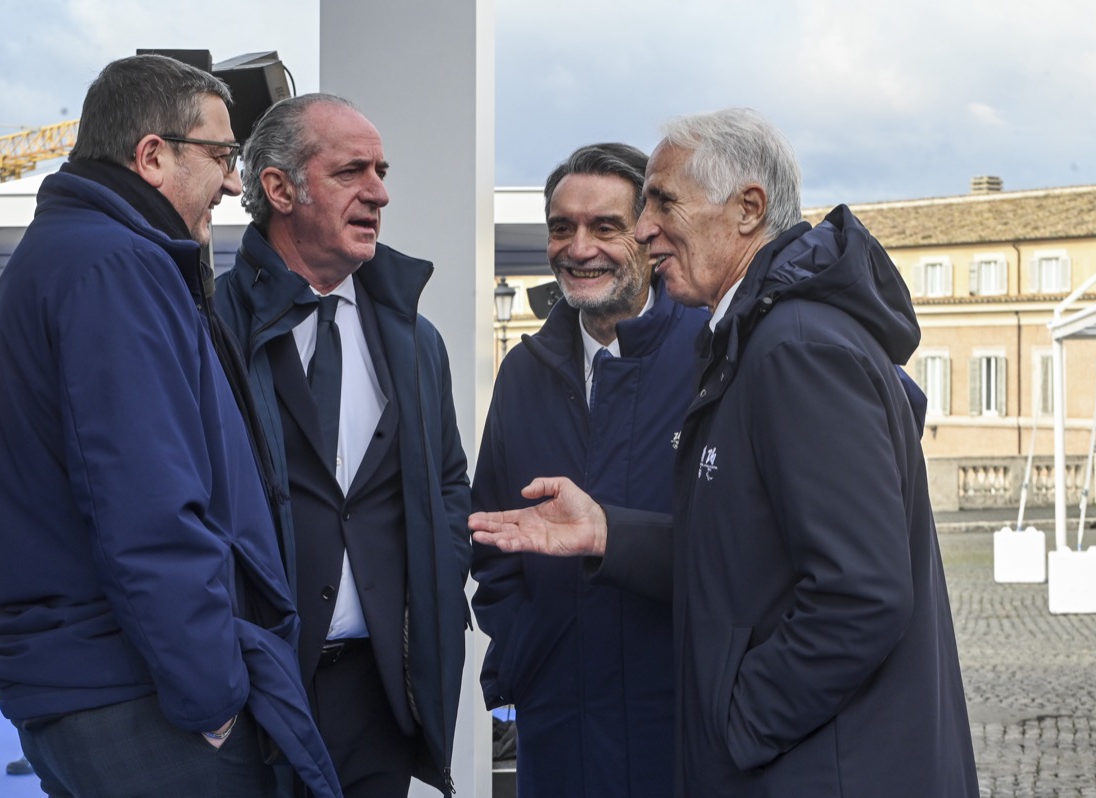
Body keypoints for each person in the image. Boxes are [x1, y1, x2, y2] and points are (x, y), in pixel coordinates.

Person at [470, 108, 979, 798]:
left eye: (661, 203)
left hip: (791, 762)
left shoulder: (790, 346)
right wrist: (602, 541)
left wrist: (736, 722)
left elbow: (860, 592)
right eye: (564, 226)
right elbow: (739, 552)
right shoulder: (756, 338)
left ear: (748, 208)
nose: (646, 228)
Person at [0, 55, 339, 798]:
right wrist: (214, 701)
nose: (231, 183)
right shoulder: (116, 268)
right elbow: (148, 507)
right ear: (153, 155)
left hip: (92, 686)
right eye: (222, 156)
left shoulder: (71, 256)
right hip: (138, 699)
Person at [213, 93, 471, 798]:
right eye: (351, 171)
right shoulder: (209, 328)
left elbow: (449, 483)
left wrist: (437, 588)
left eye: (381, 172)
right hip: (254, 692)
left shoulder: (416, 340)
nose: (379, 193)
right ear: (279, 189)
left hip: (380, 698)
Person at [471, 143, 710, 797]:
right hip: (560, 735)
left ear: (649, 234)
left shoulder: (712, 354)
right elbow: (491, 542)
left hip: (684, 734)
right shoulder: (523, 373)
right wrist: (526, 654)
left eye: (605, 227)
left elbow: (746, 551)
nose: (579, 249)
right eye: (562, 227)